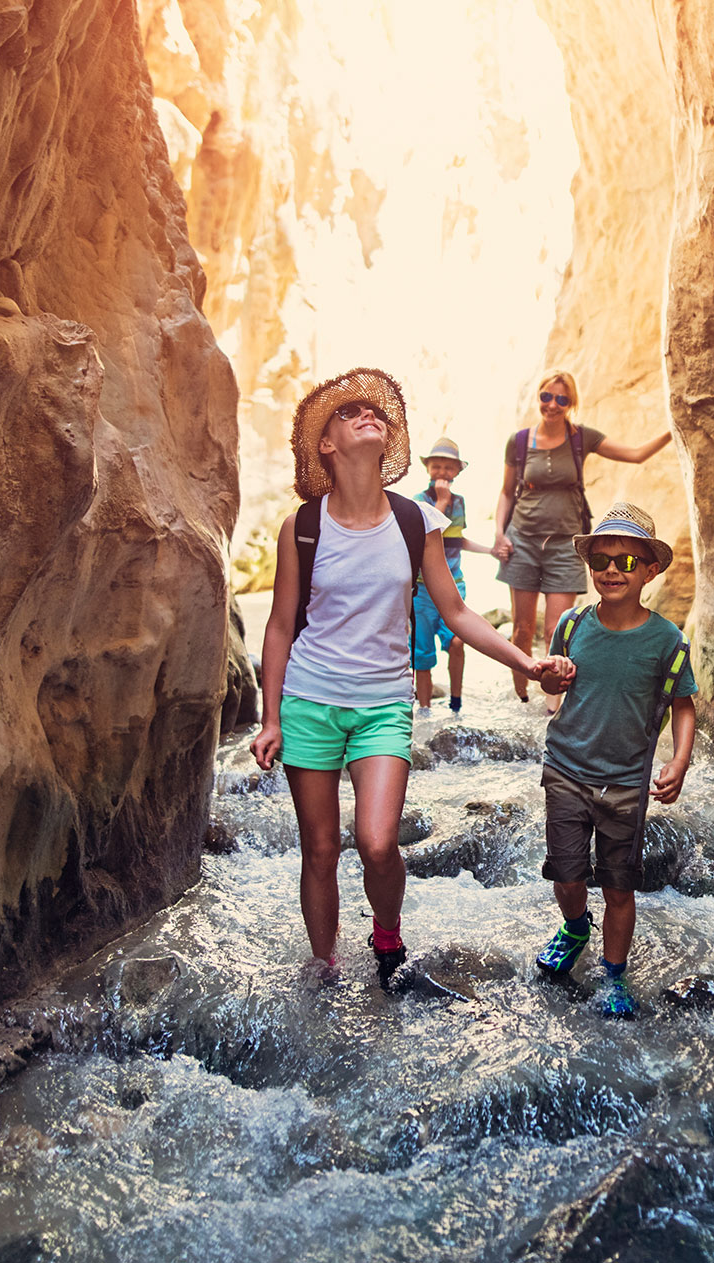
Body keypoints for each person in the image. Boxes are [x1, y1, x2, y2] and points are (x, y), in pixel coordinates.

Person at [251, 369, 560, 986]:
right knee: (318, 848)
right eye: (350, 413)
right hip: (310, 699)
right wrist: (271, 717)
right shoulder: (302, 526)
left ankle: (386, 936)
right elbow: (282, 626)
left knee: (375, 841)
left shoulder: (417, 521)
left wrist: (526, 662)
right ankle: (325, 964)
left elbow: (457, 612)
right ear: (327, 445)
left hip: (382, 705)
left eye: (376, 411)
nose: (368, 414)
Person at [532, 503, 697, 1019]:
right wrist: (550, 681)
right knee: (566, 875)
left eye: (626, 562)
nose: (611, 570)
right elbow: (552, 687)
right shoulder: (573, 622)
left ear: (650, 571)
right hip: (565, 769)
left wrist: (680, 761)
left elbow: (683, 705)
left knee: (619, 886)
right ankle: (576, 926)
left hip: (625, 783)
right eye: (601, 559)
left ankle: (615, 975)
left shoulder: (667, 640)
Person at [492, 369, 673, 714]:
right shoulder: (518, 442)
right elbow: (505, 493)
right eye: (547, 396)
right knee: (521, 629)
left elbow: (635, 454)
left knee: (555, 629)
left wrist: (675, 426)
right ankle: (521, 701)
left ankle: (551, 710)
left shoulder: (581, 438)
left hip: (564, 543)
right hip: (523, 541)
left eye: (562, 399)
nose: (553, 404)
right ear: (539, 397)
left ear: (571, 403)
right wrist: (499, 533)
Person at [410, 436, 490, 716]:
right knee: (421, 654)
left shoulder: (460, 503)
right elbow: (421, 536)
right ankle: (424, 710)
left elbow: (456, 540)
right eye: (436, 466)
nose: (442, 472)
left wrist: (490, 551)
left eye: (448, 467)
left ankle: (456, 704)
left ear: (456, 472)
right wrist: (441, 501)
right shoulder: (418, 502)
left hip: (454, 586)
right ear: (428, 469)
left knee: (457, 641)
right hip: (421, 592)